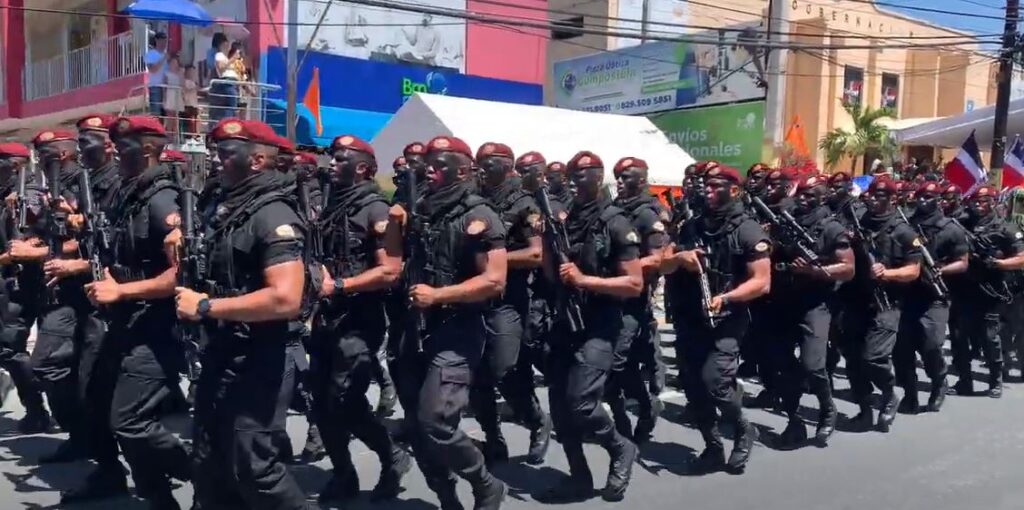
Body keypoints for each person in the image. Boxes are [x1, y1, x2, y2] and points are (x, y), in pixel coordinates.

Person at [174, 119, 312, 509]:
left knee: (256, 469)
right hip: (221, 349)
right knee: (209, 461)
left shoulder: (273, 215)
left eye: (226, 153)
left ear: (256, 161)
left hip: (259, 355)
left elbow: (286, 299)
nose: (216, 161)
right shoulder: (224, 207)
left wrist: (206, 305)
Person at [77, 116, 191, 509]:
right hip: (125, 320)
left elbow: (181, 274)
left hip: (157, 327)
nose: (115, 152)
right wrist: (107, 279)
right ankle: (159, 499)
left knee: (129, 421)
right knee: (102, 404)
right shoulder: (129, 194)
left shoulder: (164, 200)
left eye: (123, 147)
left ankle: (204, 470)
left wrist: (121, 289)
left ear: (146, 150)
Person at [401, 135, 508, 510]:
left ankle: (485, 482)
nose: (429, 167)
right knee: (415, 428)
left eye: (439, 162)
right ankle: (448, 498)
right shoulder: (425, 210)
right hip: (417, 328)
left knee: (436, 422)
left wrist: (439, 296)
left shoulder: (478, 216)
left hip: (458, 329)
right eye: (427, 160)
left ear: (462, 170)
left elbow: (495, 280)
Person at [310, 134, 411, 504]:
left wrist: (340, 284)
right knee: (319, 402)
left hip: (359, 319)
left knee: (344, 401)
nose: (333, 163)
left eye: (341, 158)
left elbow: (390, 271)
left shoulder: (375, 209)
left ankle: (392, 457)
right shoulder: (329, 204)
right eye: (333, 157)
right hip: (327, 317)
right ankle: (343, 474)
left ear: (364, 168)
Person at [535, 151, 641, 503]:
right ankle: (578, 475)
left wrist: (585, 280)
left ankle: (620, 447)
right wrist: (550, 245)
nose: (576, 180)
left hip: (600, 323)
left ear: (599, 177)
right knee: (561, 409)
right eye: (572, 174)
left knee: (581, 403)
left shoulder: (616, 222)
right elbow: (553, 276)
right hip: (564, 320)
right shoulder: (566, 219)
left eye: (584, 174)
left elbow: (634, 284)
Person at [663, 163, 770, 473]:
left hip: (727, 318)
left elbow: (762, 281)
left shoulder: (747, 229)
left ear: (733, 190)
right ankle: (712, 446)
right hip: (691, 317)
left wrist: (727, 297)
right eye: (705, 186)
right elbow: (662, 264)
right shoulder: (692, 226)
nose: (707, 191)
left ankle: (742, 431)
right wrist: (679, 258)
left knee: (716, 383)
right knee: (694, 386)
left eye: (715, 187)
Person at [471, 142, 551, 466]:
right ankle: (494, 439)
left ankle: (536, 421)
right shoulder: (475, 200)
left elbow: (536, 253)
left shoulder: (525, 204)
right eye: (478, 162)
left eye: (487, 163)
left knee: (503, 369)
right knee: (476, 375)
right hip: (474, 299)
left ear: (506, 166)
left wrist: (496, 261)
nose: (480, 168)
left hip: (508, 301)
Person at [764, 174, 853, 448]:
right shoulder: (784, 221)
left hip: (815, 302)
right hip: (783, 300)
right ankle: (794, 420)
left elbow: (847, 268)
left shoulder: (832, 228)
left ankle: (827, 408)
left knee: (812, 364)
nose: (803, 198)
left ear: (823, 197)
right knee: (780, 365)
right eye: (800, 193)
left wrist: (814, 270)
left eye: (810, 194)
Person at [838, 175, 922, 433]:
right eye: (872, 194)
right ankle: (864, 409)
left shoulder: (904, 231)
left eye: (881, 196)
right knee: (852, 358)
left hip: (886, 302)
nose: (874, 199)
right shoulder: (858, 221)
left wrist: (888, 273)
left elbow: (914, 271)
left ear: (893, 199)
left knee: (873, 357)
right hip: (855, 299)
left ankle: (888, 394)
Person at [607, 156, 668, 445]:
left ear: (641, 180)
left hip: (633, 300)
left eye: (626, 176)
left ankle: (627, 421)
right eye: (617, 176)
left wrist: (619, 268)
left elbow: (657, 259)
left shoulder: (647, 214)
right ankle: (643, 407)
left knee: (615, 365)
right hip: (608, 297)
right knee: (624, 366)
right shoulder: (615, 210)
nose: (619, 181)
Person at [894, 181, 965, 413]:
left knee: (932, 345)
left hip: (935, 295)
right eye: (921, 196)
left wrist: (941, 270)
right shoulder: (907, 224)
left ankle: (938, 381)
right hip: (908, 293)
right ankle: (910, 394)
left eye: (930, 197)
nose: (924, 201)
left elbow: (963, 263)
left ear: (938, 199)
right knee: (902, 348)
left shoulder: (950, 228)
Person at [952, 185, 1024, 397]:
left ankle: (995, 381)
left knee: (990, 336)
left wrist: (998, 263)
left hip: (992, 288)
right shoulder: (962, 223)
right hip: (964, 287)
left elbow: (1021, 258)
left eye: (985, 202)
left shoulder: (1006, 227)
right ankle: (965, 381)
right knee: (959, 336)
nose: (979, 205)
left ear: (993, 203)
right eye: (975, 201)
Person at [0, 142, 51, 434]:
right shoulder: (5, 193)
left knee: (13, 348)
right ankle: (36, 408)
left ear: (14, 165)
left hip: (29, 281)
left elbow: (32, 236)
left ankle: (39, 409)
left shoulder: (27, 192)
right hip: (12, 281)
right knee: (8, 347)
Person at [210, 35, 239, 121]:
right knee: (230, 107)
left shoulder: (225, 57)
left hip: (232, 83)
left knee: (233, 107)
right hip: (227, 83)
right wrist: (232, 59)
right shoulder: (219, 55)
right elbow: (221, 67)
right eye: (225, 43)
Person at [145, 32, 169, 117]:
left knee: (167, 114)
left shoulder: (168, 54)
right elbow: (152, 69)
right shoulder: (150, 54)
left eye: (165, 41)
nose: (164, 44)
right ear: (156, 41)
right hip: (155, 86)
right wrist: (163, 59)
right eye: (162, 41)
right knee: (156, 113)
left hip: (167, 87)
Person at [162, 54, 184, 136]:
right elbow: (164, 87)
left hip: (177, 93)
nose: (173, 65)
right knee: (169, 115)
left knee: (176, 116)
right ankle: (168, 133)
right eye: (172, 63)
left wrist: (181, 74)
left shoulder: (180, 73)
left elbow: (182, 84)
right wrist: (164, 99)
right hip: (170, 93)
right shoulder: (166, 73)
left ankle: (176, 135)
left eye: (175, 63)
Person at [182, 65, 200, 137]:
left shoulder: (194, 82)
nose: (192, 74)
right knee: (191, 121)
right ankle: (191, 135)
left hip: (194, 104)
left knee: (197, 119)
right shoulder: (185, 82)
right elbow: (185, 90)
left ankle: (197, 135)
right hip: (187, 104)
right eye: (191, 72)